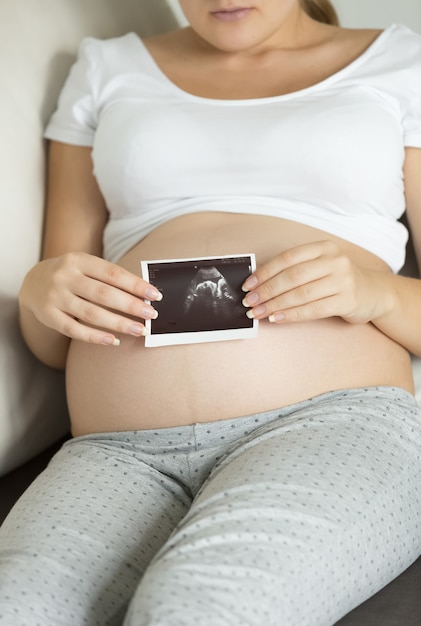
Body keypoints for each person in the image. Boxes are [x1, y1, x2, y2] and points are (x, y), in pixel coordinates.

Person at [1, 0, 421, 624]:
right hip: (116, 453)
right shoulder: (104, 69)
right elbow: (55, 341)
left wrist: (378, 293)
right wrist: (42, 294)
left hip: (332, 426)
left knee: (193, 612)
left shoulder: (402, 63)